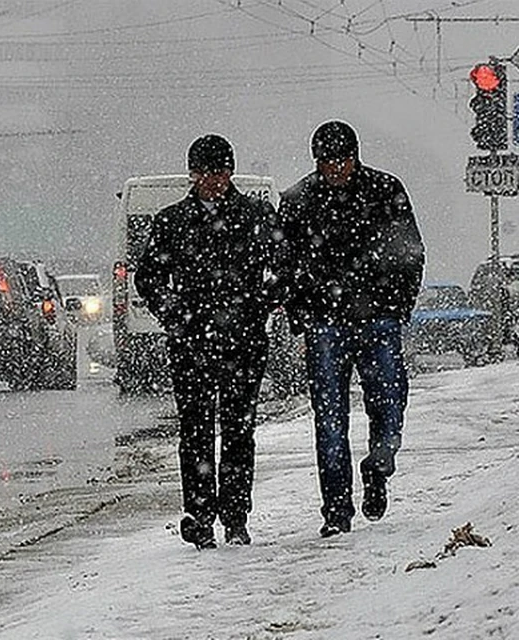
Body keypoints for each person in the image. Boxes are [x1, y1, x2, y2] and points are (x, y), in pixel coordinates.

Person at [135, 134, 283, 549]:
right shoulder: (172, 221)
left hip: (243, 341)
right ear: (193, 175)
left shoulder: (255, 215)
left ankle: (235, 516)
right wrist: (177, 317)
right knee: (196, 430)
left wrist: (257, 306)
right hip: (192, 343)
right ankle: (199, 515)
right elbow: (148, 277)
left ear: (230, 172)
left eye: (219, 172)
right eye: (205, 173)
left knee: (238, 430)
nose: (214, 181)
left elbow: (284, 267)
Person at [278, 120, 425, 538]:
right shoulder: (299, 200)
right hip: (329, 321)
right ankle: (337, 509)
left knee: (389, 404)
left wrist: (396, 307)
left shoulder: (384, 190)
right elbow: (285, 262)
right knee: (329, 420)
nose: (335, 169)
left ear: (354, 157)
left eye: (341, 160)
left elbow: (410, 252)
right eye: (327, 161)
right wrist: (302, 314)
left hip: (375, 317)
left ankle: (377, 468)